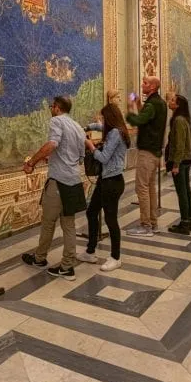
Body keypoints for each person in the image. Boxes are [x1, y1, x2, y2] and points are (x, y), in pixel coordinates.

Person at [21, 96, 87, 280]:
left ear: (57, 108)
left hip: (59, 181)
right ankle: (67, 266)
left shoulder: (56, 121)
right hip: (74, 180)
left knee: (48, 222)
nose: (51, 109)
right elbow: (80, 156)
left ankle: (40, 258)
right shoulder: (78, 126)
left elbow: (52, 144)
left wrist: (32, 162)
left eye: (52, 106)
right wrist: (60, 159)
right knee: (69, 225)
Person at [77, 103, 129, 271]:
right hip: (106, 180)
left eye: (104, 118)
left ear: (110, 118)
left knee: (111, 219)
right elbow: (99, 126)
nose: (103, 121)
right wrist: (87, 126)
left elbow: (104, 157)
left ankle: (116, 257)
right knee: (91, 212)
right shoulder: (118, 129)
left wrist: (91, 146)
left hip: (112, 181)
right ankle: (90, 251)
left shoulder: (115, 133)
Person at [126, 76, 168, 235]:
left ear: (152, 87)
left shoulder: (152, 104)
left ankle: (145, 225)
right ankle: (153, 222)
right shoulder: (159, 102)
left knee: (141, 187)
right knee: (150, 188)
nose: (142, 85)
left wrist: (130, 108)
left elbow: (138, 120)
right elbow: (149, 117)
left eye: (145, 83)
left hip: (147, 153)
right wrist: (138, 103)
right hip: (155, 152)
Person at [165, 94, 191, 233]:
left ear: (177, 105)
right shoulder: (183, 119)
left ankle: (184, 223)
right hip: (186, 159)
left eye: (172, 100)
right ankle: (189, 220)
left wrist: (175, 164)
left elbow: (180, 144)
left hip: (181, 160)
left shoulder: (178, 120)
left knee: (182, 192)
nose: (169, 102)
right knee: (186, 191)